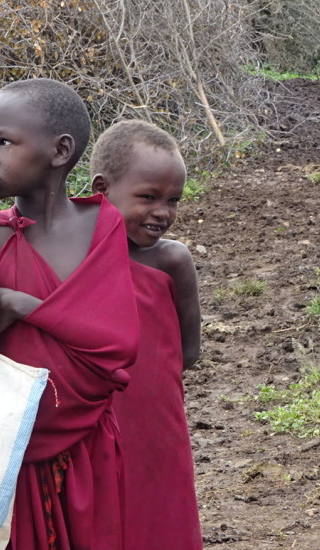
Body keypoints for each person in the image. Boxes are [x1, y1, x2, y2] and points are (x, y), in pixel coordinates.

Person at [0, 78, 139, 550]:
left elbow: (114, 343)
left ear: (60, 151)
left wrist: (20, 305)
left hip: (87, 444)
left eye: (4, 141)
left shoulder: (103, 224)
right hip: (9, 450)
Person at [90, 120, 203, 550]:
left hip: (156, 422)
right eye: (148, 197)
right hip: (93, 416)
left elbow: (187, 351)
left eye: (173, 200)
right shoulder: (74, 252)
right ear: (102, 188)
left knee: (160, 514)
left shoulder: (172, 260)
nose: (163, 212)